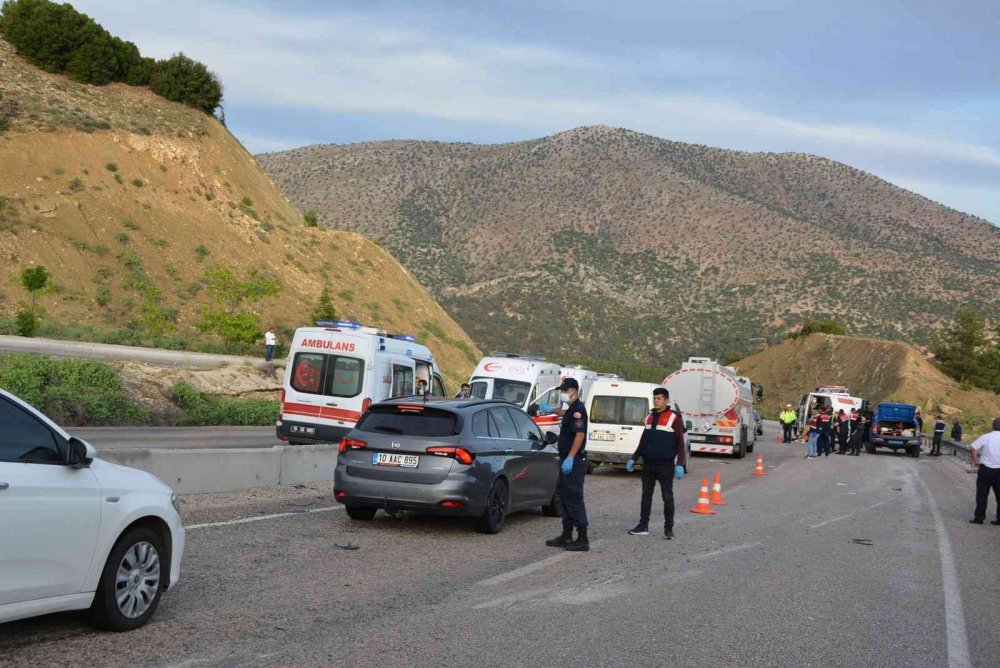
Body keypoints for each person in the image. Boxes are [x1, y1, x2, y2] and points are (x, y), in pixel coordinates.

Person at [625, 388, 686, 540]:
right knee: (646, 496)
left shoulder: (674, 418)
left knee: (667, 497)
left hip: (665, 465)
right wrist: (634, 458)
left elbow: (680, 443)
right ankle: (643, 526)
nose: (656, 400)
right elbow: (643, 441)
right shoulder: (649, 417)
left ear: (666, 400)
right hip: (648, 464)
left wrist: (680, 463)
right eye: (655, 398)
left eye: (659, 398)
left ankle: (668, 529)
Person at [545, 378, 590, 551]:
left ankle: (582, 538)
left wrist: (571, 456)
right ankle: (566, 534)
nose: (563, 393)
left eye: (565, 390)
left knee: (574, 498)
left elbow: (579, 435)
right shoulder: (572, 409)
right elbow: (566, 415)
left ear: (574, 390)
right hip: (566, 459)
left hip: (574, 460)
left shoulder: (578, 410)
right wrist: (552, 410)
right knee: (565, 498)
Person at [969, 417, 1000, 526]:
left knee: (982, 494)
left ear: (993, 426)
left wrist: (976, 461)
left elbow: (973, 448)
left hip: (985, 469)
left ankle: (979, 518)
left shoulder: (986, 437)